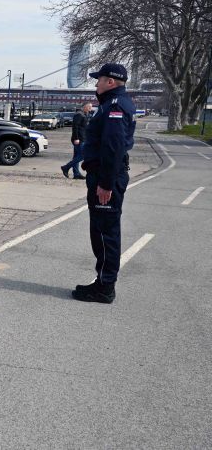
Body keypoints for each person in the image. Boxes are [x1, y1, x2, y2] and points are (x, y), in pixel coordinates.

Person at [72, 63, 135, 304]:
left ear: (111, 82)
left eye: (99, 79)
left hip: (106, 177)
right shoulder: (111, 104)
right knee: (100, 230)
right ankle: (102, 281)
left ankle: (105, 287)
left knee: (105, 232)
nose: (96, 83)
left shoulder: (115, 106)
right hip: (103, 174)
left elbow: (113, 146)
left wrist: (106, 183)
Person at [60, 102, 93, 180]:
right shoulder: (79, 114)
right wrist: (76, 138)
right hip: (79, 139)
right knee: (83, 155)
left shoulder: (84, 114)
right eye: (89, 107)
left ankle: (76, 174)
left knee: (76, 156)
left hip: (83, 138)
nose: (90, 109)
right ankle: (66, 167)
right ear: (85, 106)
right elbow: (75, 127)